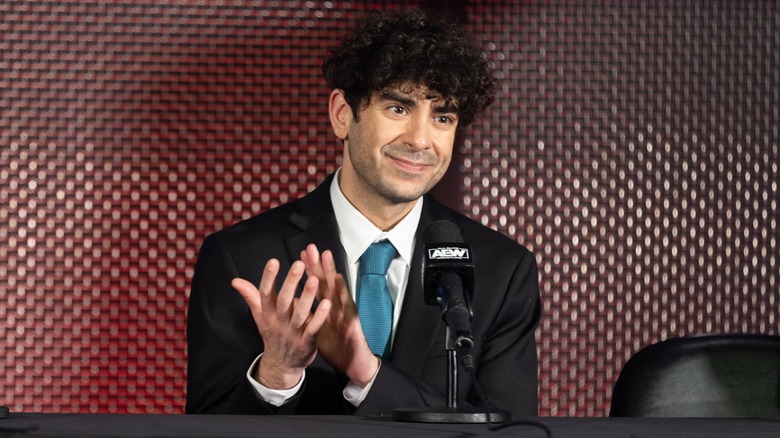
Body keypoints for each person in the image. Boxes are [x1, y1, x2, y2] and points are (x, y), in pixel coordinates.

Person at [185, 8, 542, 417]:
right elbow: (207, 425)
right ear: (342, 114)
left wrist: (368, 373)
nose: (421, 139)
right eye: (398, 108)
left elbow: (509, 430)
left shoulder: (503, 270)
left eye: (442, 117)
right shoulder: (241, 257)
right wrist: (276, 373)